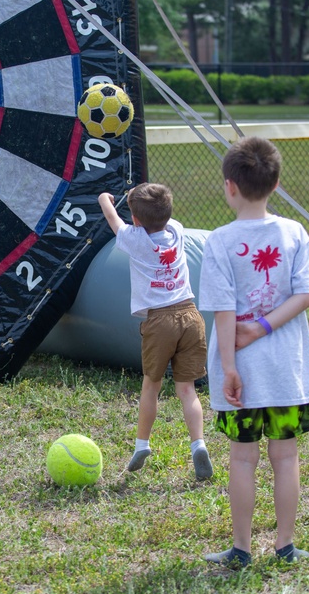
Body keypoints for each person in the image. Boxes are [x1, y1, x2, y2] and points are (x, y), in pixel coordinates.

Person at [198, 137, 309, 566]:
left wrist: (230, 364)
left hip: (243, 375)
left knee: (242, 459)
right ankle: (286, 546)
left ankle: (242, 550)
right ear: (276, 183)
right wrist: (265, 326)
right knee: (286, 457)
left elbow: (223, 309)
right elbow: (306, 293)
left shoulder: (220, 240)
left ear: (229, 186)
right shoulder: (294, 232)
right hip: (285, 373)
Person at [98, 183, 213, 481]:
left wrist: (104, 199)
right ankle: (198, 443)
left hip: (159, 321)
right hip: (191, 315)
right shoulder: (176, 230)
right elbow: (155, 211)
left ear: (136, 220)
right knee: (187, 389)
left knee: (151, 385)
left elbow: (114, 220)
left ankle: (142, 445)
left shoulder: (134, 240)